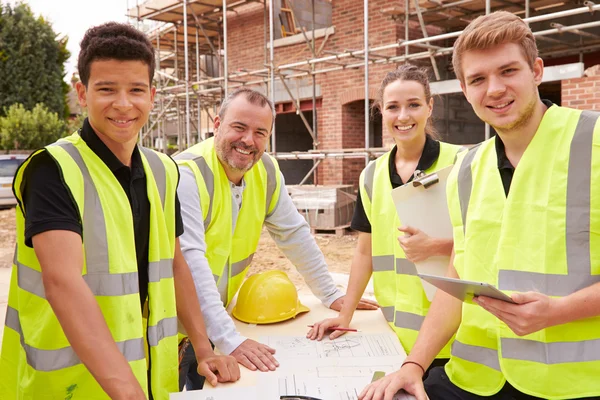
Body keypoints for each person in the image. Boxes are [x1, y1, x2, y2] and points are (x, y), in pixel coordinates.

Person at [359, 11, 600, 400]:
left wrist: (560, 311)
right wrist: (413, 366)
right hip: (476, 379)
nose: (494, 89)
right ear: (464, 88)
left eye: (508, 71)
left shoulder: (594, 141)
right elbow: (457, 280)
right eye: (478, 79)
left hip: (574, 386)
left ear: (536, 70)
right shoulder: (467, 169)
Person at [0, 22, 239, 400]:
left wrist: (203, 347)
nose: (124, 104)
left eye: (136, 90)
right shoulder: (53, 170)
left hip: (145, 380)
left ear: (153, 95)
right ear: (81, 93)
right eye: (107, 89)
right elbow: (63, 283)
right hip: (68, 388)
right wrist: (130, 394)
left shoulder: (163, 170)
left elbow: (174, 262)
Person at [174, 87, 379, 390]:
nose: (248, 141)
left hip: (214, 319)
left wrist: (330, 292)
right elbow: (191, 262)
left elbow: (294, 233)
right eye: (239, 127)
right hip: (170, 323)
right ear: (217, 125)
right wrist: (229, 339)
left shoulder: (265, 170)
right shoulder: (187, 174)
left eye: (260, 132)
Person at [307, 65, 462, 372]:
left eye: (414, 105)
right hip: (390, 335)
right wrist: (345, 314)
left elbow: (486, 243)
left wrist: (439, 246)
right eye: (393, 107)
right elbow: (365, 251)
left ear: (430, 107)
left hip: (449, 337)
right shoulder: (371, 176)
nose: (403, 116)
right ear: (381, 111)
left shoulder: (461, 164)